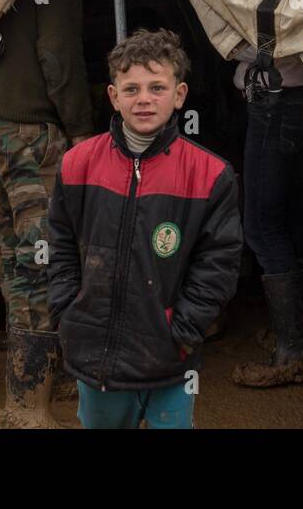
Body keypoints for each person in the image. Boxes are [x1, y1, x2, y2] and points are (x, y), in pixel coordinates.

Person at [48, 28, 241, 429]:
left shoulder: (210, 174)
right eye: (131, 89)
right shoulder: (77, 164)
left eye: (157, 87)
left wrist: (183, 329)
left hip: (169, 357)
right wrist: (69, 311)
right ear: (114, 97)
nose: (145, 99)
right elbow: (59, 243)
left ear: (180, 94)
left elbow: (219, 263)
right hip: (96, 357)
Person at [0, 0, 98, 427]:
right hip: (30, 129)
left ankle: (27, 387)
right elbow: (59, 57)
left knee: (19, 256)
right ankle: (30, 406)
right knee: (44, 257)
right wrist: (83, 132)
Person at [228, 47, 303, 388]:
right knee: (297, 211)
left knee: (261, 225)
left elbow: (249, 40)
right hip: (301, 94)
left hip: (275, 99)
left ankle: (296, 352)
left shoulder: (267, 0)